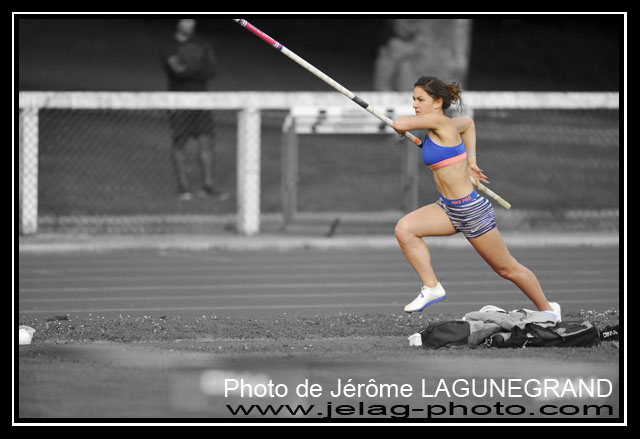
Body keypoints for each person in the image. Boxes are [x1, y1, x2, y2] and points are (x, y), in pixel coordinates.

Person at [392, 76, 561, 321]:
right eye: (413, 99)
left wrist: (401, 127)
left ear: (438, 102)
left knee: (507, 269)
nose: (415, 104)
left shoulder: (439, 121)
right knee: (405, 229)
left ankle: (548, 311)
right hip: (447, 208)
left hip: (471, 211)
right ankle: (431, 287)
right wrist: (471, 161)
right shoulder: (448, 125)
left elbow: (399, 122)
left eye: (420, 99)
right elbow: (469, 124)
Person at [162, 18, 228, 201]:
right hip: (179, 103)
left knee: (206, 142)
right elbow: (178, 71)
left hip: (201, 102)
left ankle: (208, 186)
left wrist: (189, 67)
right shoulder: (169, 47)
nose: (190, 25)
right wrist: (197, 67)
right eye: (186, 21)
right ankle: (183, 188)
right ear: (178, 23)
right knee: (180, 143)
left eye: (192, 21)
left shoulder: (202, 45)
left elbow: (211, 70)